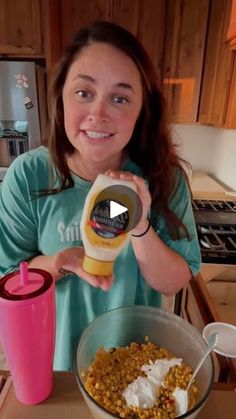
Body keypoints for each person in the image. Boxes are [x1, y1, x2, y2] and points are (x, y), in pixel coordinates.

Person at [0, 21, 201, 371]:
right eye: (84, 93)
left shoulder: (163, 178)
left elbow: (175, 281)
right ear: (61, 95)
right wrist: (61, 261)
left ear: (141, 111)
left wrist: (140, 225)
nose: (98, 114)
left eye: (120, 98)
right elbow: (7, 280)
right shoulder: (28, 176)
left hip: (135, 365)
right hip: (54, 365)